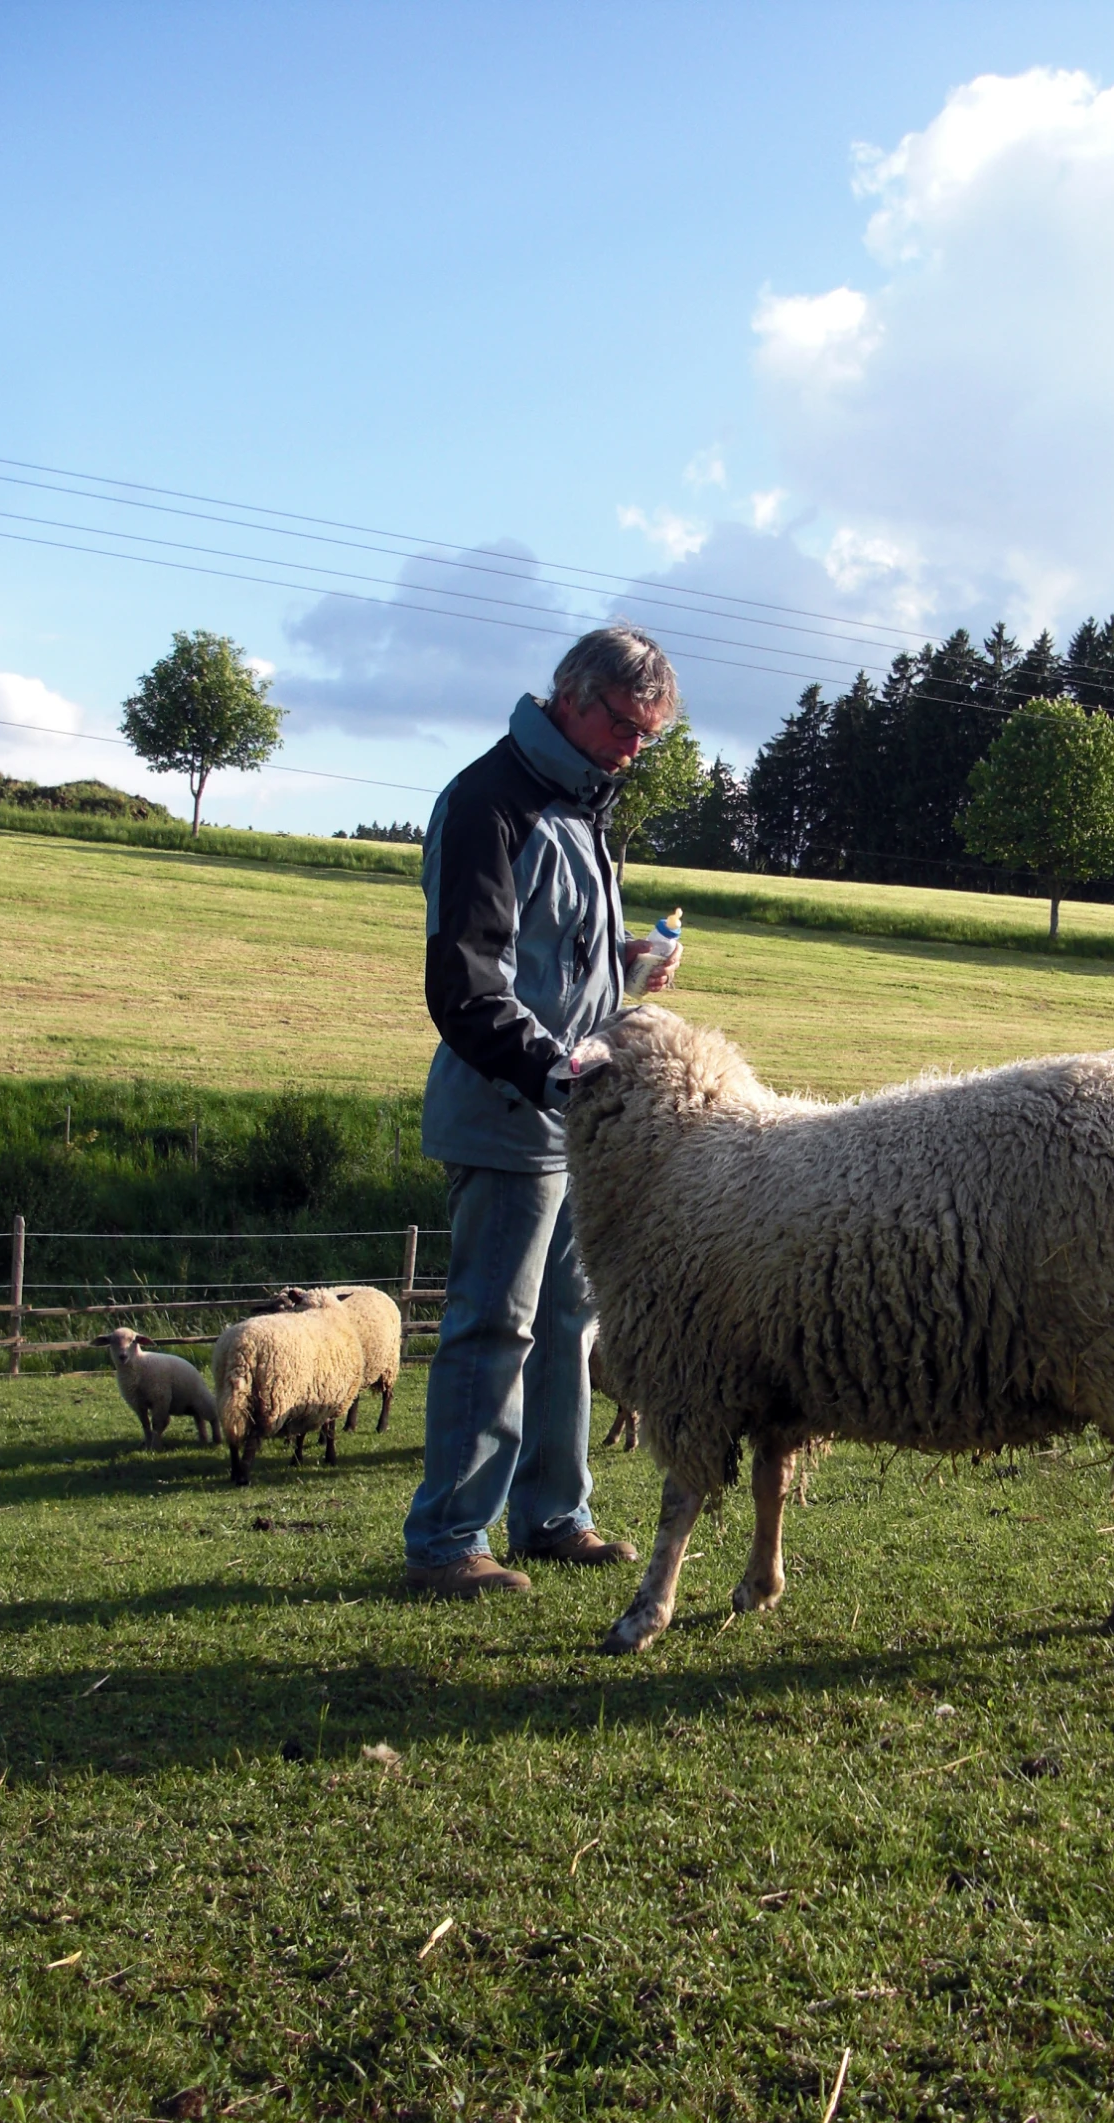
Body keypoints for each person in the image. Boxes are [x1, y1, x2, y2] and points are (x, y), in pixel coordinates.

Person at [403, 624, 681, 1598]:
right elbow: (469, 982)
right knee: (494, 1324)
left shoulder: (581, 806)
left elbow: (558, 965)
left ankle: (554, 1516)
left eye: (645, 735)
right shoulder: (489, 801)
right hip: (509, 1113)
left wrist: (631, 973)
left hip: (577, 1121)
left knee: (569, 1321)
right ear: (570, 694)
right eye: (621, 723)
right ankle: (447, 1540)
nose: (631, 748)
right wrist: (556, 1070)